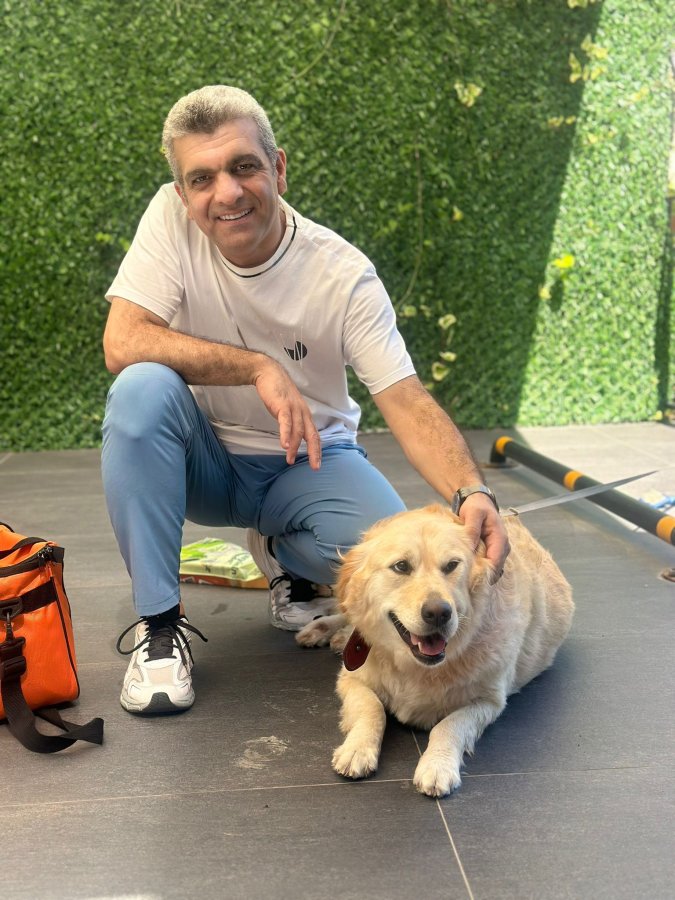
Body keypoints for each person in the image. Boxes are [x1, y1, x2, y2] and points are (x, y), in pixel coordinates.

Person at [101, 84, 509, 716]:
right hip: (202, 462)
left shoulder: (342, 275)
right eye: (202, 178)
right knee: (140, 387)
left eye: (244, 167)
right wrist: (257, 367)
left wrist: (471, 491)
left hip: (308, 463)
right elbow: (124, 340)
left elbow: (405, 398)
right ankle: (159, 628)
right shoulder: (169, 221)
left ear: (279, 168)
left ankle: (285, 558)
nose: (227, 193)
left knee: (388, 564)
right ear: (182, 194)